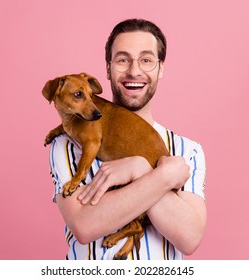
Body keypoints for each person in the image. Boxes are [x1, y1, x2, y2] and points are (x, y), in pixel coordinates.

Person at [48, 18, 206, 260]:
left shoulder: (187, 151)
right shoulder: (67, 145)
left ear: (161, 68)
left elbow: (189, 237)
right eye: (123, 60)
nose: (134, 71)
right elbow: (84, 226)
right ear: (108, 68)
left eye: (146, 60)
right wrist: (155, 174)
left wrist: (141, 172)